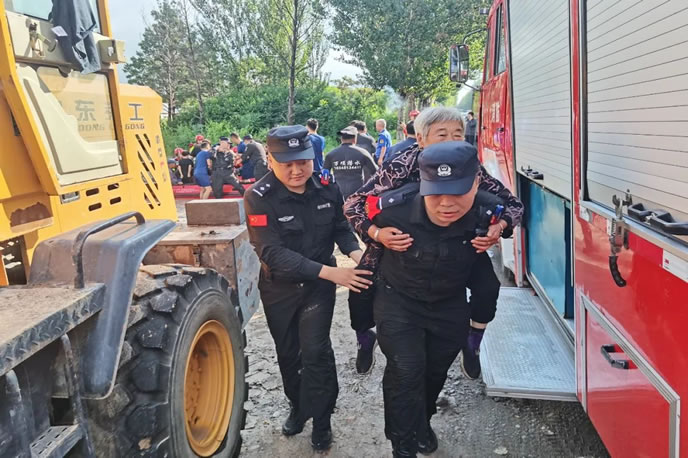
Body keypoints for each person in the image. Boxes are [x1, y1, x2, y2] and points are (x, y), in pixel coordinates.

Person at [343, 107, 523, 377]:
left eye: (457, 134)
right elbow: (353, 204)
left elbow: (514, 204)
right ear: (421, 139)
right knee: (360, 286)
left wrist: (499, 227)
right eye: (442, 134)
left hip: (458, 242)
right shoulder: (401, 165)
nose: (451, 140)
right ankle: (365, 337)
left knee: (488, 288)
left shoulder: (470, 167)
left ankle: (473, 342)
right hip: (403, 242)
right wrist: (377, 234)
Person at [243, 125, 372, 452]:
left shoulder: (327, 187)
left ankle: (322, 419)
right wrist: (333, 273)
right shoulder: (258, 197)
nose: (297, 170)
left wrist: (358, 255)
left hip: (318, 287)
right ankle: (298, 407)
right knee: (289, 353)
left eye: (303, 161)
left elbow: (341, 228)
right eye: (286, 163)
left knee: (316, 351)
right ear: (270, 160)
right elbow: (271, 253)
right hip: (280, 288)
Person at [373, 141, 500, 457]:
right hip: (399, 301)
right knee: (406, 371)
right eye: (436, 192)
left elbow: (514, 211)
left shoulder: (488, 211)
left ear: (476, 183)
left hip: (448, 303)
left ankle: (422, 422)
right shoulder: (392, 209)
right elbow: (352, 214)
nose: (447, 204)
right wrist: (375, 234)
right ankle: (402, 445)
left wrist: (502, 225)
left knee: (434, 371)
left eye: (458, 192)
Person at [323, 126, 378, 199]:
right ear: (355, 139)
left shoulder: (331, 154)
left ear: (341, 139)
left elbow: (324, 177)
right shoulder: (363, 153)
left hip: (337, 194)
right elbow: (376, 172)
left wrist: (327, 192)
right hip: (357, 193)